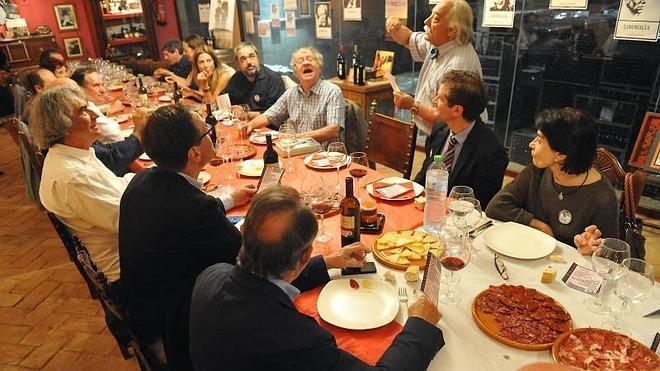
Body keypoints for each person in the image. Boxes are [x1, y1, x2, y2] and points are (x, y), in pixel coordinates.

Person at [189, 185, 445, 370]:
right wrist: (419, 325)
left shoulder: (209, 276)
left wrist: (330, 261)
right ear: (304, 256)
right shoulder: (296, 339)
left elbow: (261, 281)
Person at [119, 104, 255, 368]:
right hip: (176, 330)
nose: (212, 134)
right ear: (194, 153)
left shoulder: (142, 179)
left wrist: (228, 198)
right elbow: (251, 261)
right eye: (207, 132)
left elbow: (183, 210)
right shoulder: (195, 208)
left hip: (143, 310)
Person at [29, 86, 134, 283]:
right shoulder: (74, 176)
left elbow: (117, 189)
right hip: (127, 271)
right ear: (62, 124)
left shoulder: (72, 153)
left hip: (126, 245)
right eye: (83, 111)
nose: (95, 114)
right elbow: (131, 221)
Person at [486, 108, 618, 253]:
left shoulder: (602, 196)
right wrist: (539, 225)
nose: (531, 144)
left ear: (560, 154)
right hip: (529, 253)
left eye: (540, 140)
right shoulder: (538, 171)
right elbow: (496, 206)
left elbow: (611, 255)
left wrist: (589, 249)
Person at [385, 0, 483, 135]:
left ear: (452, 30)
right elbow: (408, 39)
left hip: (452, 138)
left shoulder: (459, 65)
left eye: (435, 19)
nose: (426, 21)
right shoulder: (440, 42)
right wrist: (394, 26)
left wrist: (412, 104)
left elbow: (443, 116)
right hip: (436, 132)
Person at [413, 70, 508, 207]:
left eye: (440, 98)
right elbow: (426, 172)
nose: (434, 101)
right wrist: (410, 193)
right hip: (429, 209)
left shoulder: (492, 152)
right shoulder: (440, 129)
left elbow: (481, 205)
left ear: (457, 110)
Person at [42, 77, 145, 177]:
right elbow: (111, 158)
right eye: (83, 111)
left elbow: (106, 151)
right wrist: (140, 132)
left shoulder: (70, 147)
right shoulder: (77, 174)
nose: (95, 115)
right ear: (60, 119)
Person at [245, 47, 345, 148]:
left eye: (310, 59)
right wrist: (250, 125)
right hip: (299, 151)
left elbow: (333, 130)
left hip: (327, 155)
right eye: (300, 61)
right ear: (295, 71)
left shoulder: (332, 91)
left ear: (319, 68)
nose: (306, 63)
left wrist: (297, 137)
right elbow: (269, 115)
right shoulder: (290, 94)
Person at [222, 42, 285, 117]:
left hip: (268, 126)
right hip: (242, 124)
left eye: (251, 56)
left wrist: (247, 114)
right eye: (243, 59)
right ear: (238, 64)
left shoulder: (273, 79)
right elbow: (226, 102)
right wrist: (233, 109)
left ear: (258, 57)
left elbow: (278, 113)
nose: (249, 62)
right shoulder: (237, 78)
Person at [71, 67, 127, 144]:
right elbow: (114, 132)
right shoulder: (84, 110)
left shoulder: (88, 104)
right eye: (96, 85)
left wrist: (106, 112)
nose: (102, 90)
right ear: (80, 89)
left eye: (102, 85)